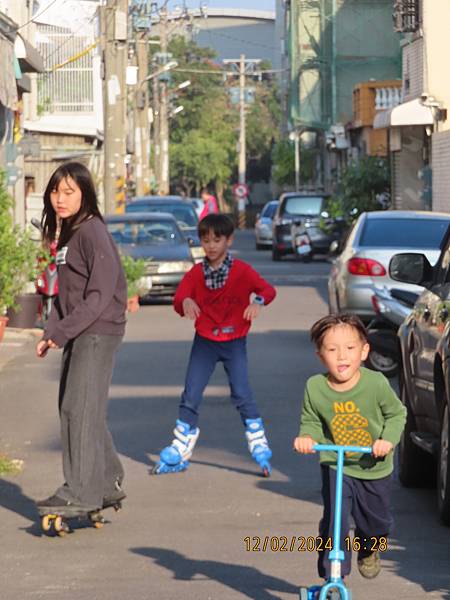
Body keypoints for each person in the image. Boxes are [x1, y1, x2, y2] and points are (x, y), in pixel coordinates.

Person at [35, 161, 128, 517]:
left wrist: (63, 330)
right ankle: (106, 481)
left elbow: (99, 294)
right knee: (79, 407)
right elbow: (66, 295)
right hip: (81, 330)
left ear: (85, 194)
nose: (60, 198)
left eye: (69, 192)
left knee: (79, 409)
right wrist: (51, 333)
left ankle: (81, 492)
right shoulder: (71, 233)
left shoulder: (92, 232)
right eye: (56, 191)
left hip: (98, 331)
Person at [154, 213, 276, 476]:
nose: (211, 246)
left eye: (217, 240)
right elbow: (180, 297)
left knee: (242, 394)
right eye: (205, 240)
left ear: (229, 240)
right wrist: (184, 302)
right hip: (205, 342)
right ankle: (181, 445)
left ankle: (259, 444)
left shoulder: (242, 271)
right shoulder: (197, 273)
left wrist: (258, 302)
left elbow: (268, 290)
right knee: (191, 393)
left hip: (234, 342)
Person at [293, 314, 406, 581]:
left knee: (376, 523)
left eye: (350, 348)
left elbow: (397, 414)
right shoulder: (315, 386)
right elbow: (310, 421)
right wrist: (306, 437)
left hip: (373, 466)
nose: (342, 356)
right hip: (336, 463)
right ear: (321, 355)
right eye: (332, 350)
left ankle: (370, 549)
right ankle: (333, 574)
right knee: (335, 520)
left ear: (365, 351)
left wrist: (386, 440)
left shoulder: (375, 384)